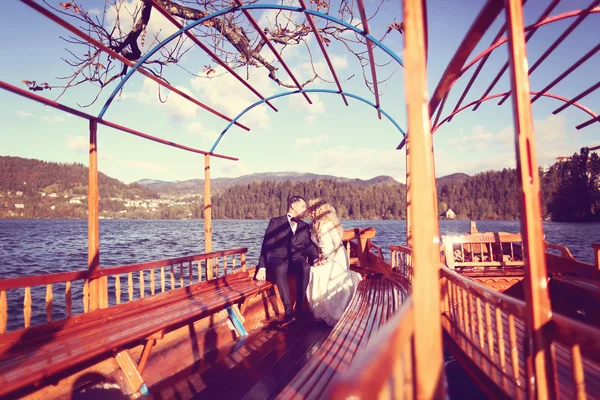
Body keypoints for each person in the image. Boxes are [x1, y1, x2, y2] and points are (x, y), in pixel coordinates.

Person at [256, 196, 319, 323]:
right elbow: (266, 245)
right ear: (293, 206)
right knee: (280, 268)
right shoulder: (275, 222)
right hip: (277, 258)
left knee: (305, 267)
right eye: (303, 206)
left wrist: (316, 259)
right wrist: (262, 267)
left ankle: (300, 308)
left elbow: (309, 247)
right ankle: (288, 310)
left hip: (295, 259)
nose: (305, 209)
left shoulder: (304, 227)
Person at [306, 199, 361, 326]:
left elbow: (337, 245)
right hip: (325, 257)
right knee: (314, 270)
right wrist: (319, 259)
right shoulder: (313, 226)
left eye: (312, 209)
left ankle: (335, 311)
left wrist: (327, 260)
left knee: (321, 271)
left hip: (337, 257)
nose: (310, 212)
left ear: (318, 210)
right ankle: (321, 310)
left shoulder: (329, 225)